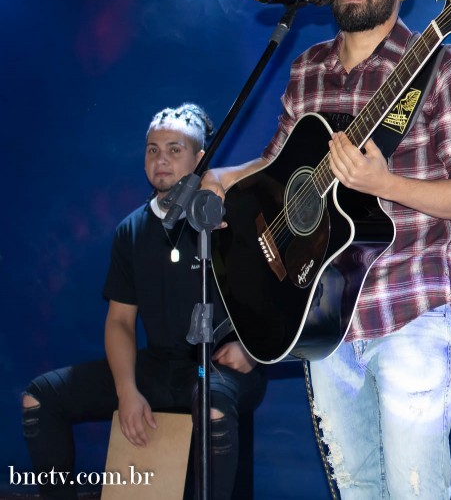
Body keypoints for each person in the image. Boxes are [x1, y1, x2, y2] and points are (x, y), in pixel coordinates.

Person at [201, 0, 451, 498]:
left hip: (407, 309)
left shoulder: (440, 69)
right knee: (356, 489)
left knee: (414, 490)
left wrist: (384, 183)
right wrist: (219, 177)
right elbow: (279, 165)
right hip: (319, 314)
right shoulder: (308, 68)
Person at [22, 103, 267, 500]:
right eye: (153, 150)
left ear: (200, 159)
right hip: (157, 366)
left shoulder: (226, 218)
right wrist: (127, 391)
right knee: (39, 398)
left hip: (218, 366)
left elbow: (275, 300)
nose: (161, 159)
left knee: (214, 410)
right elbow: (120, 321)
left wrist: (252, 350)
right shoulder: (131, 230)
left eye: (174, 149)